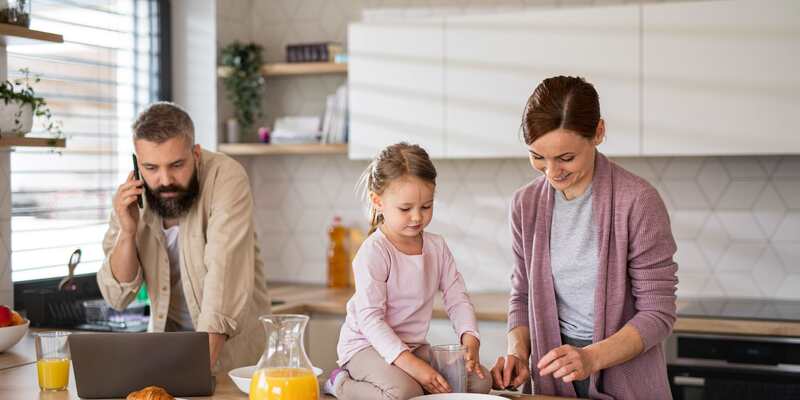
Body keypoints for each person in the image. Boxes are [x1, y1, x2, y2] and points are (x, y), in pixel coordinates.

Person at [490, 76, 679, 399]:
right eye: (538, 156)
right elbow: (522, 295)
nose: (552, 172)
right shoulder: (525, 204)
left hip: (625, 374)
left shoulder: (637, 201)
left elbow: (657, 313)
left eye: (566, 158)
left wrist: (591, 357)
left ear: (599, 133)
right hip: (553, 378)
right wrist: (519, 354)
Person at [96, 102, 271, 374]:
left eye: (176, 164)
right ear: (138, 163)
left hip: (232, 364)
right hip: (166, 355)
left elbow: (222, 281)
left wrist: (193, 378)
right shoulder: (132, 195)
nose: (165, 180)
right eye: (151, 168)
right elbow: (116, 296)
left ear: (196, 154)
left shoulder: (226, 178)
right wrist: (127, 231)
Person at [323, 143, 493, 399]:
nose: (417, 217)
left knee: (480, 381)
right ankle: (340, 384)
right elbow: (371, 321)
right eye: (405, 209)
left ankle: (414, 382)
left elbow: (456, 298)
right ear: (377, 201)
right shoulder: (374, 252)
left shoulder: (437, 247)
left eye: (426, 207)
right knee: (403, 393)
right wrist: (416, 369)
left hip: (412, 348)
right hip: (366, 347)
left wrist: (470, 338)